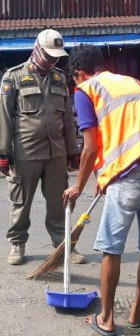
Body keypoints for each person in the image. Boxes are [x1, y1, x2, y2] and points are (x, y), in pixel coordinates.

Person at [62, 44, 140, 336]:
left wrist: (78, 186)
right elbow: (122, 133)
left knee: (111, 247)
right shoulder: (131, 82)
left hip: (130, 175)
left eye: (75, 78)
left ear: (79, 73)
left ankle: (107, 319)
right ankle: (137, 314)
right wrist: (104, 175)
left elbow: (90, 147)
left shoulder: (85, 89)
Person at [0, 29, 85, 265]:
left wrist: (71, 151)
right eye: (49, 55)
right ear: (37, 49)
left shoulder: (59, 78)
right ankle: (17, 244)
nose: (53, 60)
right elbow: (4, 117)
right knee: (21, 203)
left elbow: (67, 118)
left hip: (55, 153)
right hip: (25, 152)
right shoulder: (14, 77)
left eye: (56, 56)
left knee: (59, 202)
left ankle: (63, 246)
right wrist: (4, 153)